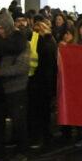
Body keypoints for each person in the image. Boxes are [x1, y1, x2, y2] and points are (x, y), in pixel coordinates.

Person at [0, 12, 30, 161]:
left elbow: (22, 67)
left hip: (16, 87)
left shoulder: (20, 42)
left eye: (0, 28)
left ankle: (22, 151)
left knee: (18, 121)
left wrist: (0, 72)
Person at [27, 18, 58, 150]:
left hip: (39, 82)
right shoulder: (51, 42)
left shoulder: (40, 44)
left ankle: (39, 137)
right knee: (44, 112)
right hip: (47, 82)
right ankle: (46, 136)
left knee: (38, 112)